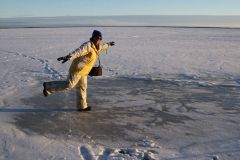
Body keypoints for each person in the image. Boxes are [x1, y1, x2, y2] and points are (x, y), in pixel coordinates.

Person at [43, 30, 115, 111]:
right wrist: (68, 56)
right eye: (97, 38)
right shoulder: (88, 46)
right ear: (93, 37)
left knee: (82, 88)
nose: (98, 40)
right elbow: (78, 52)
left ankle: (82, 107)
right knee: (69, 85)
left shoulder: (97, 47)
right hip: (77, 70)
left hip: (84, 72)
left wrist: (108, 44)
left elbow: (102, 47)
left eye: (100, 38)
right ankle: (48, 87)